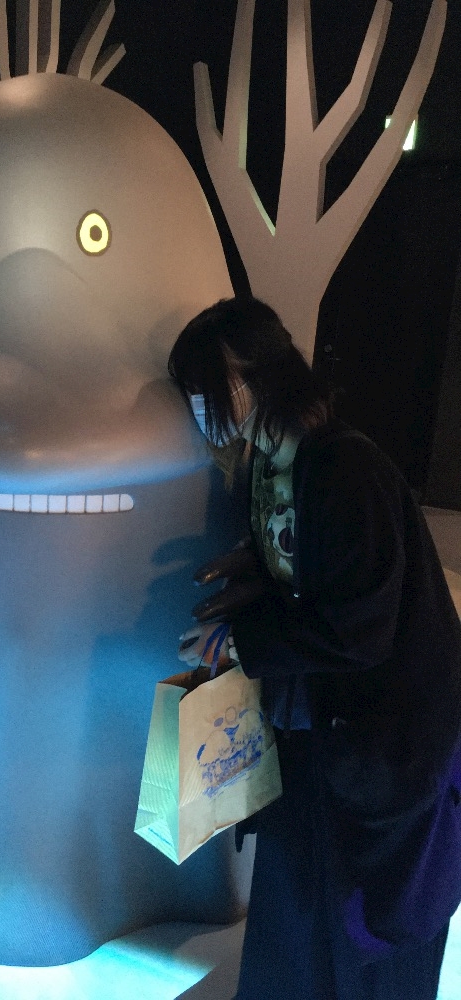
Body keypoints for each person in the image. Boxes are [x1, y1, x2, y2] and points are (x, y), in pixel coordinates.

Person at [168, 296, 461, 1000]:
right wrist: (248, 584)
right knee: (299, 907)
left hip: (388, 744)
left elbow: (361, 628)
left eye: (206, 387)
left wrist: (242, 639)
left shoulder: (345, 467)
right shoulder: (271, 463)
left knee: (369, 925)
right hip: (321, 736)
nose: (199, 408)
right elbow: (306, 572)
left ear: (248, 373)